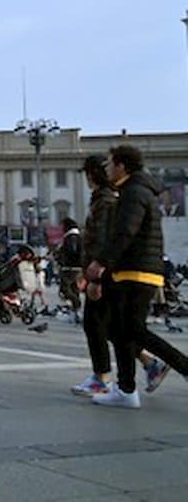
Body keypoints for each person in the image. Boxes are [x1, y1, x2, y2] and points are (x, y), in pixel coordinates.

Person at [86, 144, 188, 408]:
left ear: (121, 165)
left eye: (109, 164)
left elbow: (125, 233)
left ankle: (180, 367)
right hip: (135, 270)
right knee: (122, 332)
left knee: (132, 330)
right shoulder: (136, 191)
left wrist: (101, 263)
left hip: (137, 270)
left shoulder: (133, 193)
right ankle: (126, 391)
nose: (106, 169)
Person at [71, 156, 116, 396]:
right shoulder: (103, 199)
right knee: (109, 326)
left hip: (101, 272)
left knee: (95, 324)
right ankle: (149, 362)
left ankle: (103, 377)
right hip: (99, 270)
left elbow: (100, 239)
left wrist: (94, 277)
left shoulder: (105, 201)